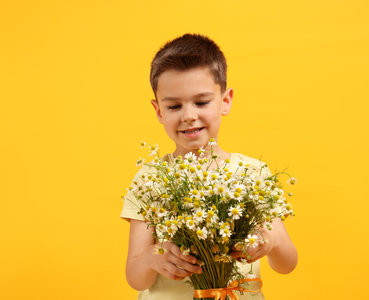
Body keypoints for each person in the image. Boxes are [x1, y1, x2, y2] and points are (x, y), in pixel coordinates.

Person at [120, 33, 298, 300]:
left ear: (225, 101)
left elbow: (287, 264)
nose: (189, 115)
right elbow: (135, 276)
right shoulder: (150, 179)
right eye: (174, 106)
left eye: (201, 102)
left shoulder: (253, 174)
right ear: (159, 111)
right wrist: (153, 258)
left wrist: (270, 243)